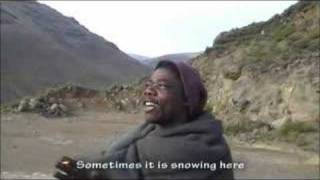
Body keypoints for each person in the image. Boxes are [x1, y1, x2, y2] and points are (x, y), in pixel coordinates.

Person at [54, 60, 234, 180]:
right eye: (148, 85)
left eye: (161, 86)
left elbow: (117, 167)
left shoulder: (197, 148)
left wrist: (86, 170)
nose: (149, 91)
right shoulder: (148, 132)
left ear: (187, 98)